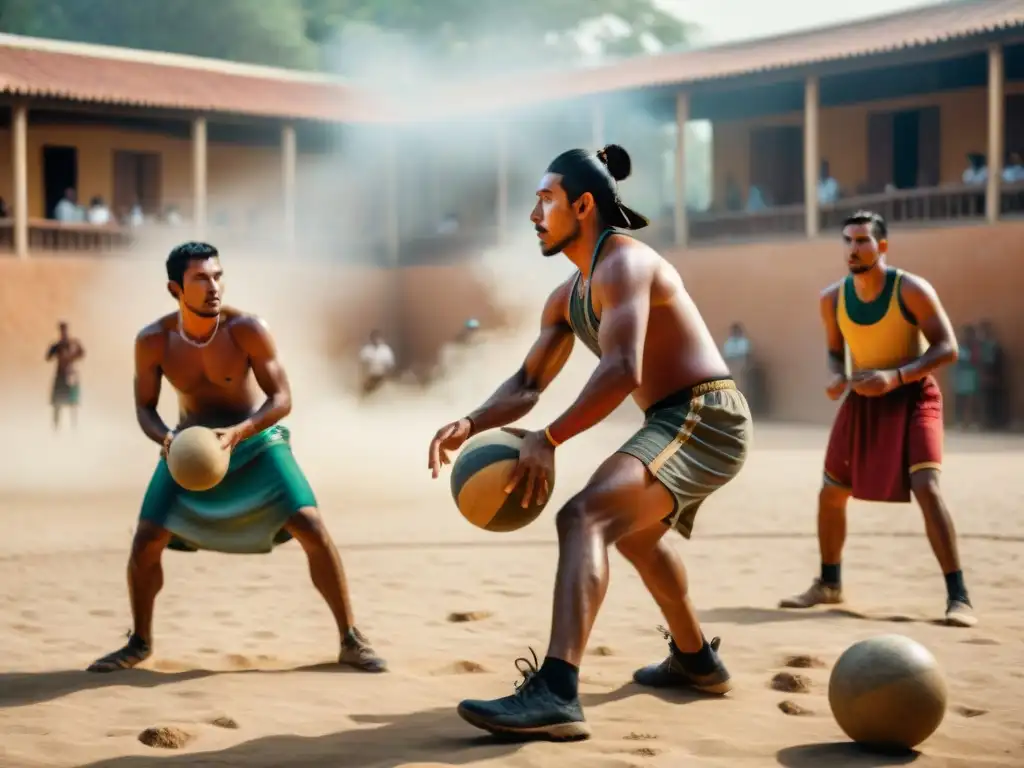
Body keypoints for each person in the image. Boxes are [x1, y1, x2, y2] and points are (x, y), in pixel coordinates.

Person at [427, 145, 752, 741]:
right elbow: (527, 384)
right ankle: (697, 660)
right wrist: (471, 423)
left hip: (705, 415)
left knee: (584, 516)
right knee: (633, 537)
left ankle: (555, 690)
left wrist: (549, 439)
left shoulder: (624, 263)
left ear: (582, 205)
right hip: (675, 416)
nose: (534, 215)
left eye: (544, 200)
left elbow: (623, 367)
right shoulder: (568, 293)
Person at [87, 242, 385, 673]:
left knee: (311, 525)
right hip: (188, 450)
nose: (214, 286)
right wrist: (168, 440)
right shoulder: (153, 341)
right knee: (147, 537)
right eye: (201, 278)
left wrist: (240, 432)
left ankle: (351, 639)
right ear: (175, 288)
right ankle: (139, 641)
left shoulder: (247, 329)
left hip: (257, 441)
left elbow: (281, 398)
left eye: (218, 276)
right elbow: (144, 408)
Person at [779, 211, 975, 628]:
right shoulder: (831, 298)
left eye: (863, 240)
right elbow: (836, 351)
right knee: (831, 493)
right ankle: (829, 583)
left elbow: (948, 348)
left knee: (926, 485)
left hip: (912, 395)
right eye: (848, 241)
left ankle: (958, 595)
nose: (854, 248)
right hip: (863, 400)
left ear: (882, 246)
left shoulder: (912, 289)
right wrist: (835, 376)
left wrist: (896, 376)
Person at [46, 321, 85, 431]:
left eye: (64, 330)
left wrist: (72, 356)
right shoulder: (57, 345)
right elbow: (48, 357)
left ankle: (74, 428)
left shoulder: (73, 343)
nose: (63, 332)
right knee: (57, 404)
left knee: (72, 404)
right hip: (60, 376)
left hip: (71, 377)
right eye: (61, 330)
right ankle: (56, 429)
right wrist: (55, 351)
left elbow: (82, 353)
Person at [358, 329, 396, 395]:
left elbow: (390, 365)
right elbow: (362, 364)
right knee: (367, 391)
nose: (376, 340)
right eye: (374, 338)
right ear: (371, 339)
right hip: (370, 376)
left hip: (381, 376)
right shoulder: (366, 350)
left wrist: (387, 376)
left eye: (377, 338)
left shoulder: (385, 350)